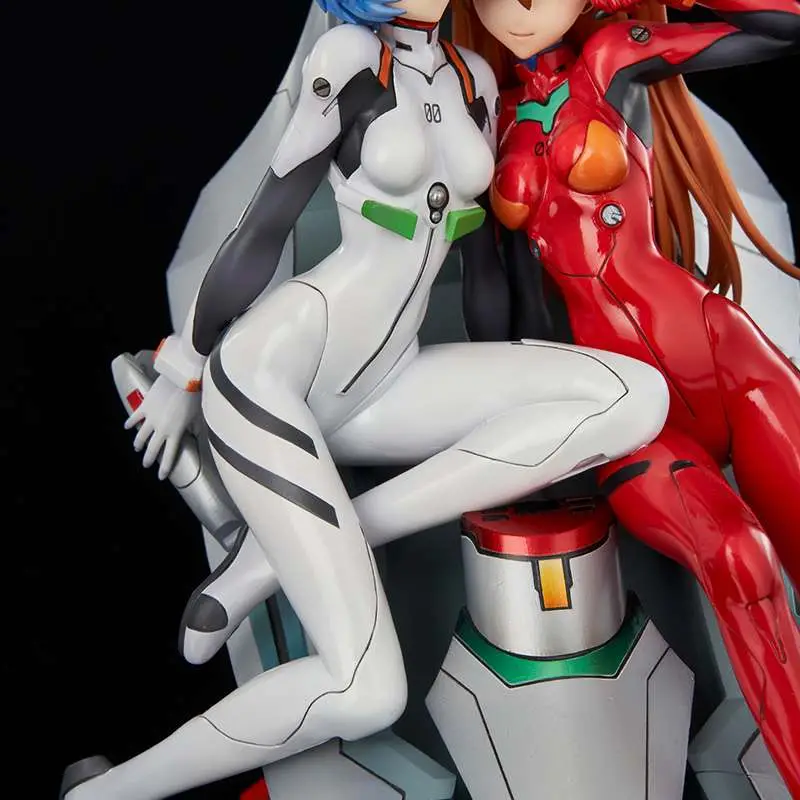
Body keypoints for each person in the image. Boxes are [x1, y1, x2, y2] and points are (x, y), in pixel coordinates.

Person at [60, 1, 670, 798]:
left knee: (634, 397)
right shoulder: (348, 57)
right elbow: (265, 222)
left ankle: (274, 558)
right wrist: (184, 369)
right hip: (276, 378)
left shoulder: (473, 78)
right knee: (366, 691)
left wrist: (511, 402)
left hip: (390, 379)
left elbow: (483, 266)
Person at [452, 0, 800, 791]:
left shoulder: (611, 57)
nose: (525, 5)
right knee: (739, 559)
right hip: (627, 408)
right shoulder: (481, 118)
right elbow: (498, 299)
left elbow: (783, 26)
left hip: (722, 349)